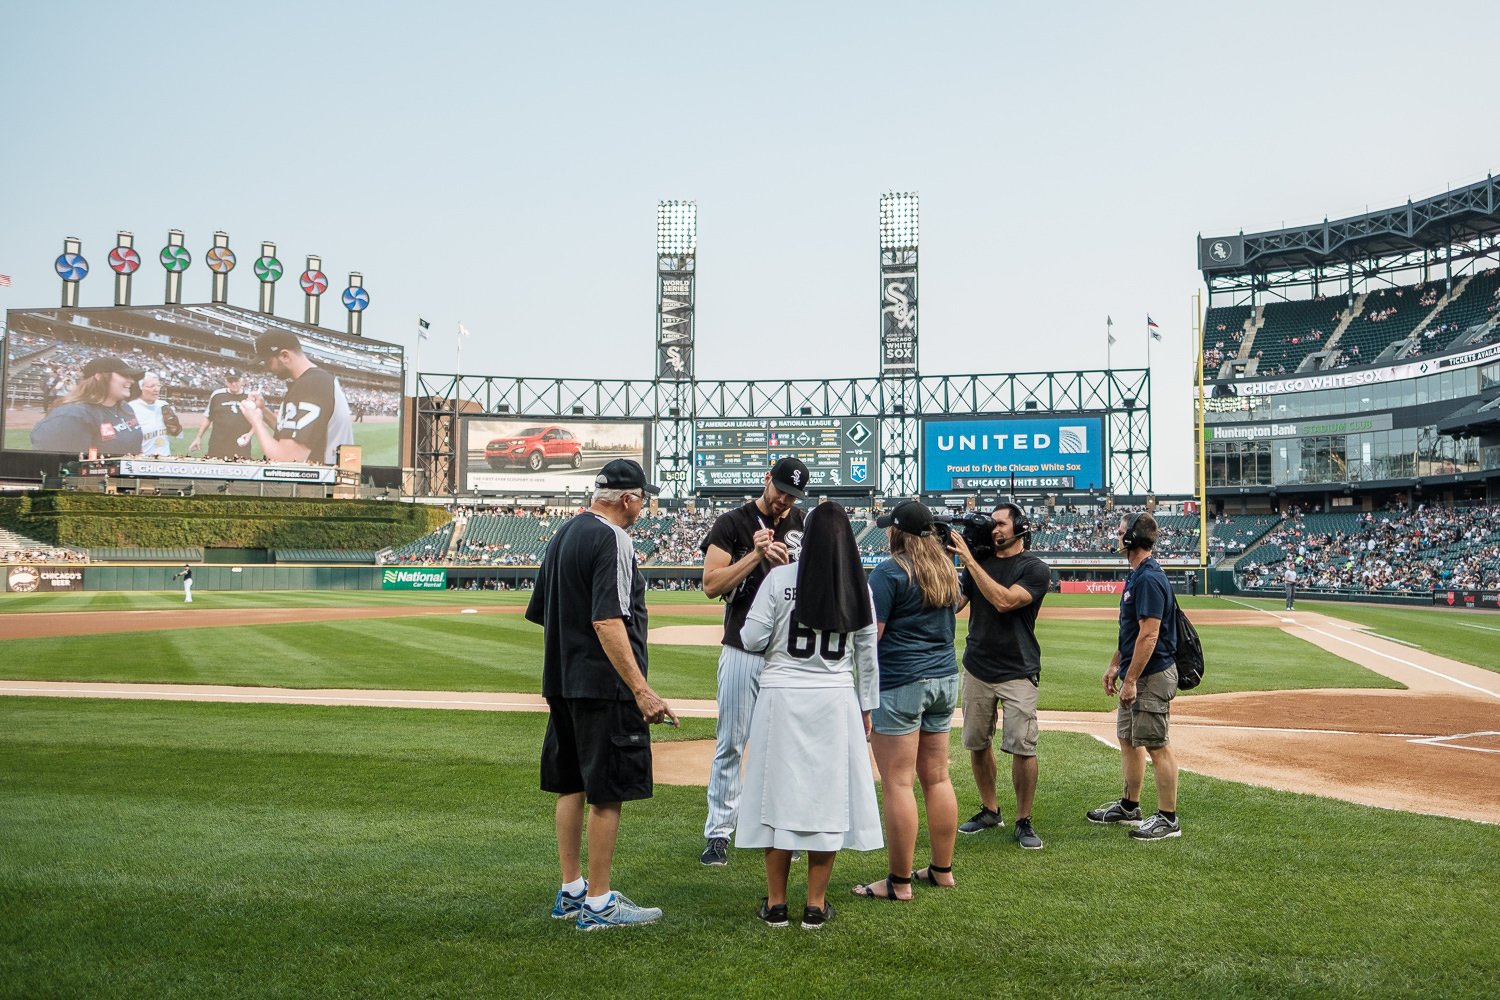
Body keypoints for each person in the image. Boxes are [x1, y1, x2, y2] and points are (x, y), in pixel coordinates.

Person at [524, 459, 677, 930]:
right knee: (607, 793)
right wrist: (641, 690)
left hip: (563, 681)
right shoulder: (613, 538)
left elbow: (542, 612)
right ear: (628, 499)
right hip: (604, 686)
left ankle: (572, 891)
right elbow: (607, 619)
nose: (643, 507)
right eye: (642, 499)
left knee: (571, 784)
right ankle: (599, 903)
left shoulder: (565, 533)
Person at [737, 501, 881, 929]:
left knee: (774, 796)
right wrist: (867, 707)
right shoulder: (860, 585)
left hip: (781, 697)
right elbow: (867, 657)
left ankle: (777, 903)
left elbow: (750, 637)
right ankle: (815, 905)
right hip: (835, 700)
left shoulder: (780, 578)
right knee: (827, 801)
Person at [696, 457, 809, 867]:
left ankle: (786, 831)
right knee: (731, 742)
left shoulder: (803, 524)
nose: (784, 500)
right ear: (766, 480)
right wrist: (755, 556)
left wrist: (793, 567)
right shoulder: (733, 523)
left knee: (786, 746)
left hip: (787, 652)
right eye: (780, 490)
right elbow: (710, 585)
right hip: (742, 650)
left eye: (792, 494)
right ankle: (719, 833)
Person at [851, 501, 960, 901]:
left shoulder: (889, 572)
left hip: (900, 682)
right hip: (945, 679)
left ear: (897, 532)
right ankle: (941, 871)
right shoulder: (946, 569)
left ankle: (899, 883)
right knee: (937, 777)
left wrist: (860, 694)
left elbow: (870, 639)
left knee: (898, 782)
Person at [948, 502, 1051, 851]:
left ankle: (1024, 820)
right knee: (977, 743)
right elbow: (954, 605)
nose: (994, 530)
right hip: (978, 665)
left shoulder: (1034, 568)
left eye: (1001, 524)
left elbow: (1005, 601)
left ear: (1020, 527)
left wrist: (972, 563)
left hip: (1017, 668)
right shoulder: (979, 563)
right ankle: (990, 809)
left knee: (1022, 746)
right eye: (991, 524)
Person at [1087, 511, 1182, 841]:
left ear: (1131, 539)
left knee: (1157, 745)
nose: (1116, 534)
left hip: (1151, 675)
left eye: (1121, 531)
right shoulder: (1137, 575)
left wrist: (1130, 681)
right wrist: (1116, 665)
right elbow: (1130, 633)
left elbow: (1149, 635)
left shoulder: (1149, 579)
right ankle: (1130, 806)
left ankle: (1168, 819)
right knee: (1128, 740)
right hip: (1135, 671)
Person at [239, 331, 355, 465]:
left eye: (267, 361)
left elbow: (287, 459)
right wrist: (263, 411)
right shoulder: (315, 380)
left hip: (321, 480)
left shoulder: (311, 385)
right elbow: (292, 432)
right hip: (326, 477)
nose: (266, 368)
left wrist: (256, 421)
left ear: (285, 356)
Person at [30, 357, 144, 456]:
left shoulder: (125, 409)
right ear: (99, 376)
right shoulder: (70, 417)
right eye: (124, 375)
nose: (131, 380)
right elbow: (59, 468)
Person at [190, 372, 253, 459]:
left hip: (241, 446)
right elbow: (208, 417)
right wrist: (198, 438)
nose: (234, 383)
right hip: (217, 445)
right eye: (230, 381)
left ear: (242, 381)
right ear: (225, 382)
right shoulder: (217, 395)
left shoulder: (250, 397)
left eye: (236, 380)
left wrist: (250, 434)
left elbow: (257, 421)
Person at [128, 373, 182, 458]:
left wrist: (176, 428)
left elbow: (178, 433)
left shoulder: (163, 405)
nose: (156, 389)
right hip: (143, 461)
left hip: (165, 459)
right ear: (141, 388)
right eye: (151, 386)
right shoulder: (131, 408)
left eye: (158, 385)